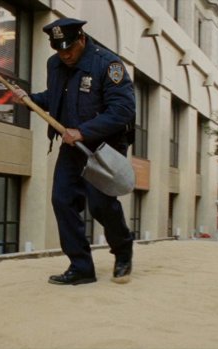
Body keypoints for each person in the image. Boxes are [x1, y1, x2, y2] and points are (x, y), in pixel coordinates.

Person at [13, 18, 135, 285]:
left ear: (81, 38)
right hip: (72, 146)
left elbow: (123, 110)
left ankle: (123, 249)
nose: (65, 54)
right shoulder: (55, 64)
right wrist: (30, 99)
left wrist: (84, 131)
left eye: (69, 48)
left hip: (105, 146)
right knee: (62, 200)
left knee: (101, 205)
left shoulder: (108, 65)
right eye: (59, 49)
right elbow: (57, 97)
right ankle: (81, 267)